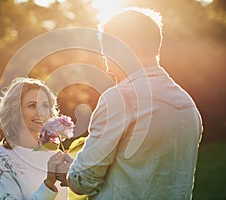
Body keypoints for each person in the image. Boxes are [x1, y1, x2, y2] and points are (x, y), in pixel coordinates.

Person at [57, 7, 203, 199]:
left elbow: (83, 181)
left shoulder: (119, 99)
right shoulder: (188, 106)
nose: (107, 67)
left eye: (106, 54)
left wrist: (63, 168)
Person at [0, 77, 68, 199]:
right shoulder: (1, 159)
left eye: (45, 105)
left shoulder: (55, 155)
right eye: (32, 105)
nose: (41, 112)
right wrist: (48, 184)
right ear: (15, 111)